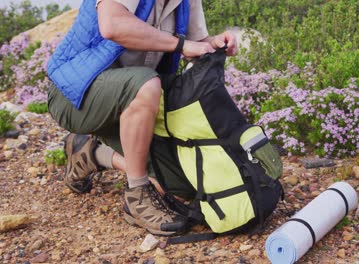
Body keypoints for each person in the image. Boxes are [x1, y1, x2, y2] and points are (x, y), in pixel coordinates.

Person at [47, 0, 237, 235]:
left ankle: (91, 152)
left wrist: (213, 44)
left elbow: (194, 45)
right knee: (146, 84)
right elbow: (113, 25)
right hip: (74, 95)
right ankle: (137, 194)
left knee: (182, 186)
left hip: (130, 108)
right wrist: (180, 45)